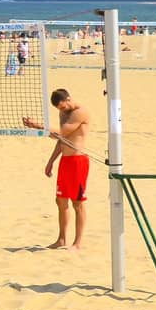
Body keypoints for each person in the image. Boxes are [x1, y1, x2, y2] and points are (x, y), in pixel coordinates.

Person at [23, 88, 91, 250]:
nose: (61, 111)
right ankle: (61, 239)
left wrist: (38, 126)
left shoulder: (80, 112)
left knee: (77, 202)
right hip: (65, 161)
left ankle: (78, 243)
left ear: (68, 99)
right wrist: (51, 161)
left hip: (78, 161)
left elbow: (62, 132)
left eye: (62, 107)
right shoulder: (63, 114)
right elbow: (61, 139)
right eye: (59, 109)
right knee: (60, 201)